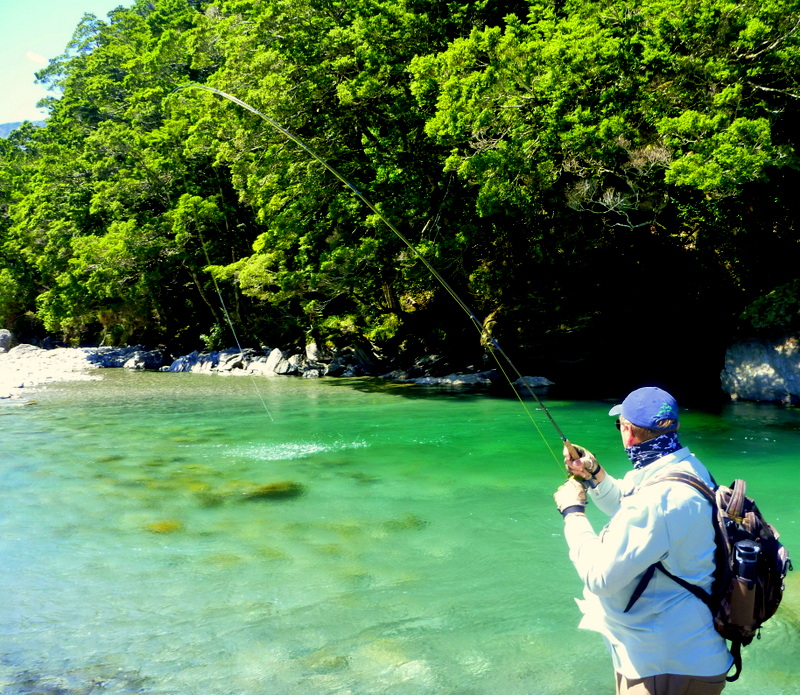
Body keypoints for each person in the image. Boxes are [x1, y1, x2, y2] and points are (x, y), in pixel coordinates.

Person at [553, 386, 733, 695]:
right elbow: (630, 507)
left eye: (619, 425)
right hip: (662, 653)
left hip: (667, 663)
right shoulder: (685, 468)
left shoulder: (661, 498)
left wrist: (573, 511)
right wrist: (594, 473)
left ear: (628, 432)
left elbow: (599, 578)